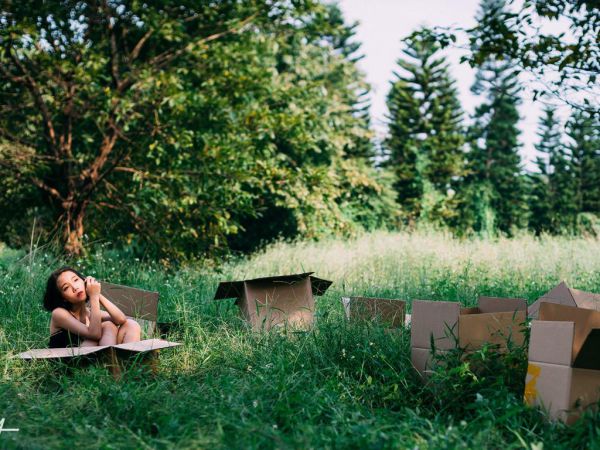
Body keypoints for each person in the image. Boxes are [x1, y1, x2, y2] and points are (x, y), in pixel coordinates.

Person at [43, 266, 141, 348]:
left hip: (92, 357)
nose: (75, 287)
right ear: (63, 298)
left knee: (131, 324)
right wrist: (94, 296)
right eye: (66, 288)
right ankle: (109, 366)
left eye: (76, 280)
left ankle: (126, 363)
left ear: (84, 281)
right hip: (71, 363)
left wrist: (97, 294)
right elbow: (95, 334)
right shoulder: (59, 313)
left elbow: (121, 319)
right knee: (107, 326)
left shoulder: (89, 313)